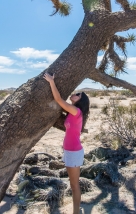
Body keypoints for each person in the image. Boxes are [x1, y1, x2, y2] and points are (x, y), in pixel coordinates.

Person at [43, 72, 89, 214]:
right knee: (73, 184)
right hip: (70, 151)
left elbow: (58, 99)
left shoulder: (76, 111)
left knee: (74, 185)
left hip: (74, 152)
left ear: (80, 100)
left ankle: (76, 212)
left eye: (78, 94)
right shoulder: (72, 112)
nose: (74, 94)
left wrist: (51, 81)